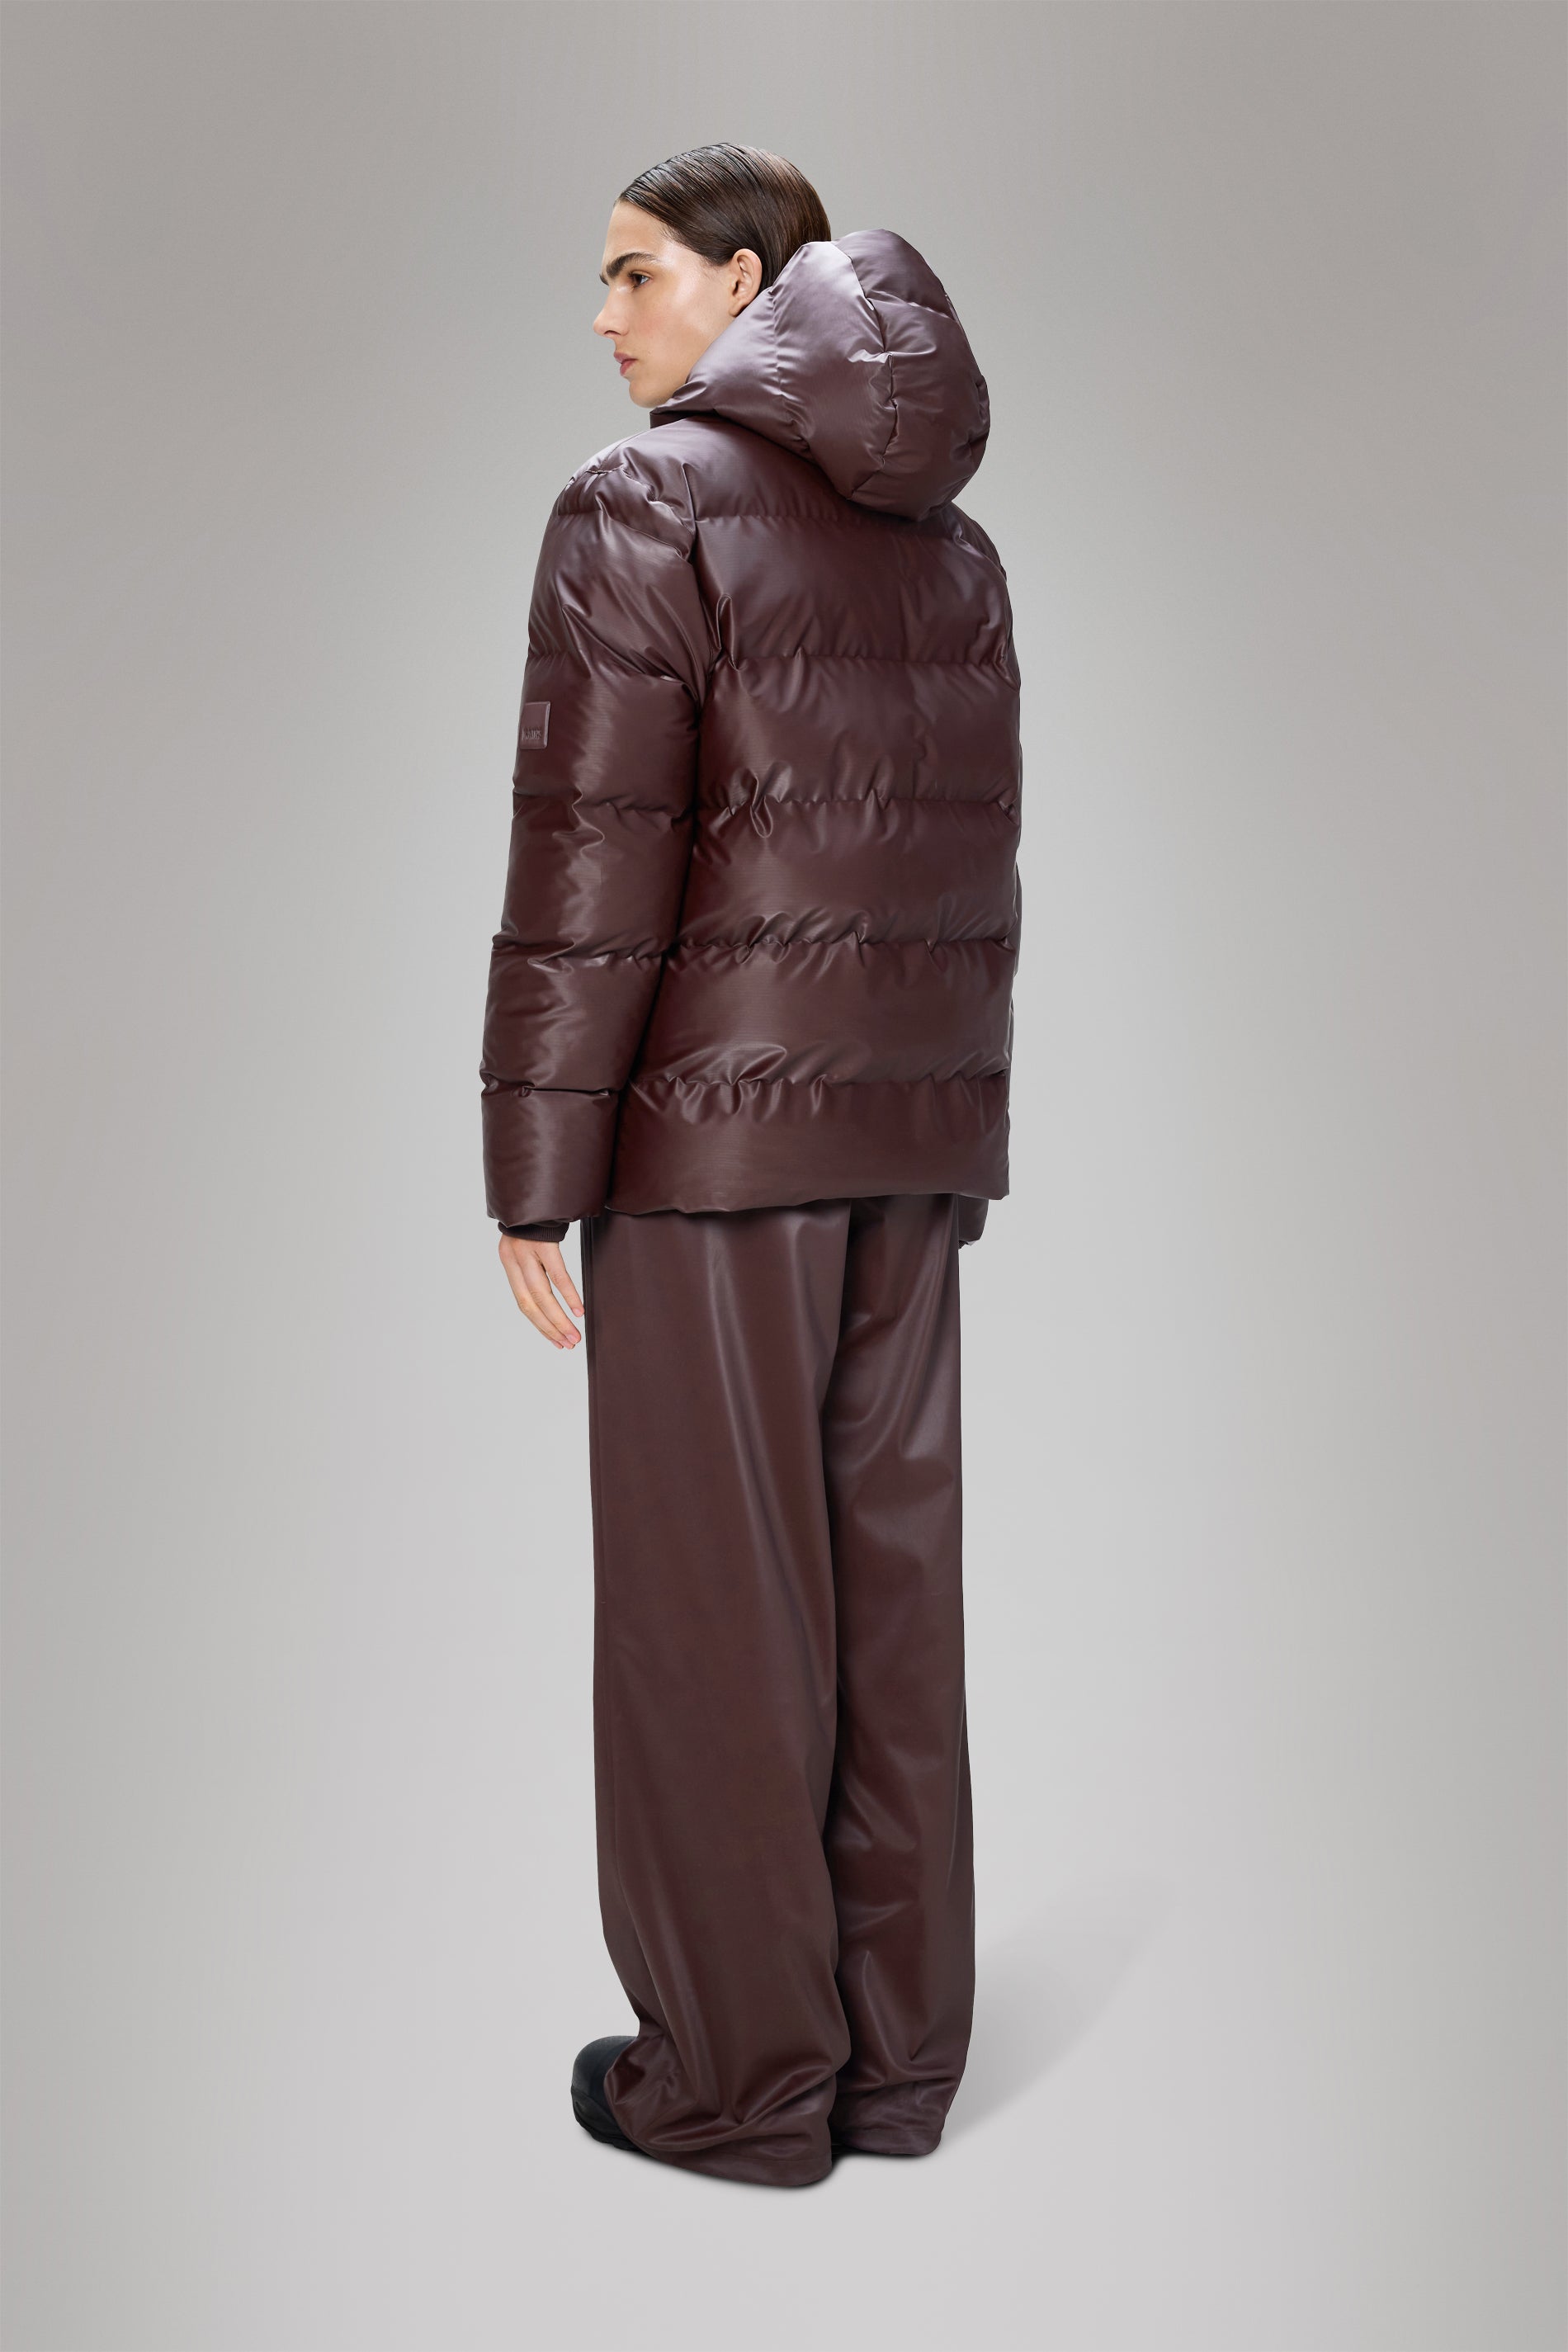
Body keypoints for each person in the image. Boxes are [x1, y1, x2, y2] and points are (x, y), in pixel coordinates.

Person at [479, 143, 1022, 2189]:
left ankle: (735, 2088)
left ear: (743, 279)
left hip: (713, 1150)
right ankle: (891, 2070)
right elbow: (967, 863)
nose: (604, 317)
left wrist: (532, 1163)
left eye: (635, 274)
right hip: (909, 1137)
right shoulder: (950, 547)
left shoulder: (638, 507)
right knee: (888, 1607)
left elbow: (593, 861)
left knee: (715, 1616)